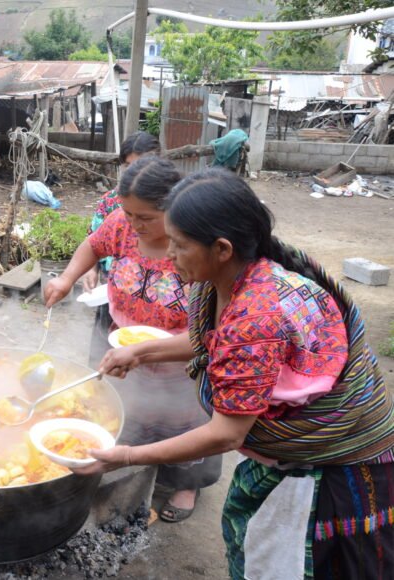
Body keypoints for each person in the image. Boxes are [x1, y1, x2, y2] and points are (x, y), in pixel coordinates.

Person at [83, 169, 394, 578]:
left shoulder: (255, 319)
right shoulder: (240, 275)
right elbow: (212, 340)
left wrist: (122, 457)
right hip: (280, 459)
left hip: (329, 472)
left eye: (178, 244)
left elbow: (226, 433)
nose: (168, 254)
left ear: (222, 247)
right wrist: (142, 352)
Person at [45, 156, 221, 523]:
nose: (134, 225)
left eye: (145, 218)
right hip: (125, 345)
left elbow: (213, 334)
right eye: (128, 214)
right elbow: (93, 245)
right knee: (131, 415)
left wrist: (148, 351)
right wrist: (65, 279)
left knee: (185, 422)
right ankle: (135, 470)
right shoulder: (121, 226)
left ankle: (186, 484)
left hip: (183, 358)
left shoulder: (194, 244)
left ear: (173, 210)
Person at [83, 131, 161, 367]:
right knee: (105, 344)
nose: (136, 173)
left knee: (143, 354)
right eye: (129, 166)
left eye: (144, 165)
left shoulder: (171, 203)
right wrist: (91, 269)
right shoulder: (111, 201)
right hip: (113, 287)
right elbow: (94, 239)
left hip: (155, 301)